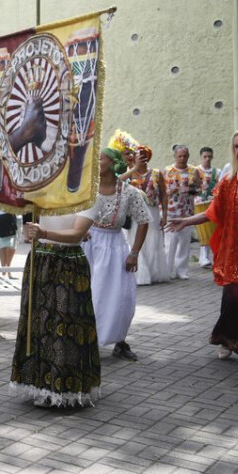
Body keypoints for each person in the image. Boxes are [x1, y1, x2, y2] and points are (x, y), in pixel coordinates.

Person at [169, 127, 238, 363]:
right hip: (236, 252)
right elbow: (214, 211)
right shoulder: (229, 182)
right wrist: (186, 220)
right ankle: (228, 339)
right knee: (235, 299)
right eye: (237, 146)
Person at [12, 209, 100, 408]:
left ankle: (65, 388)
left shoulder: (88, 194)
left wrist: (43, 233)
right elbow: (33, 220)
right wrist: (31, 228)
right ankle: (40, 384)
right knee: (39, 323)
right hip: (40, 260)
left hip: (68, 264)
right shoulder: (46, 193)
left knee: (67, 324)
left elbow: (77, 233)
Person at [83, 148, 151, 361]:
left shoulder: (129, 192)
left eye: (100, 159)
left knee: (120, 296)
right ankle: (86, 340)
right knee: (89, 294)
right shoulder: (86, 188)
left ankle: (119, 341)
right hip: (87, 243)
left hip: (114, 245)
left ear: (112, 163)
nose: (96, 162)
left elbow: (143, 220)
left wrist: (134, 252)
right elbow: (71, 210)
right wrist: (79, 228)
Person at [126, 145, 170, 285]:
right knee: (135, 239)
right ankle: (139, 275)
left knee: (153, 240)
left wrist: (164, 215)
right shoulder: (129, 174)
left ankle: (154, 272)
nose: (141, 158)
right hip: (134, 212)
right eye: (138, 155)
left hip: (152, 211)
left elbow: (163, 195)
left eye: (144, 155)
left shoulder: (157, 174)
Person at [164, 144, 206, 279]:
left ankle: (181, 270)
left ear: (188, 156)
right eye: (179, 156)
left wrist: (191, 189)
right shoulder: (167, 171)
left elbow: (200, 188)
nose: (182, 158)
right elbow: (162, 192)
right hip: (171, 210)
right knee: (170, 241)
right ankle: (167, 270)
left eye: (184, 156)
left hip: (187, 211)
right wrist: (174, 190)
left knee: (184, 241)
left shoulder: (193, 171)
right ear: (175, 156)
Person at [195, 146, 222, 267]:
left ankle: (211, 256)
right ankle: (203, 257)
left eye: (209, 157)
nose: (207, 159)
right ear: (201, 157)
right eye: (205, 157)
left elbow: (220, 186)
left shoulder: (217, 172)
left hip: (211, 203)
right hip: (199, 203)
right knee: (202, 229)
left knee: (212, 229)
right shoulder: (195, 171)